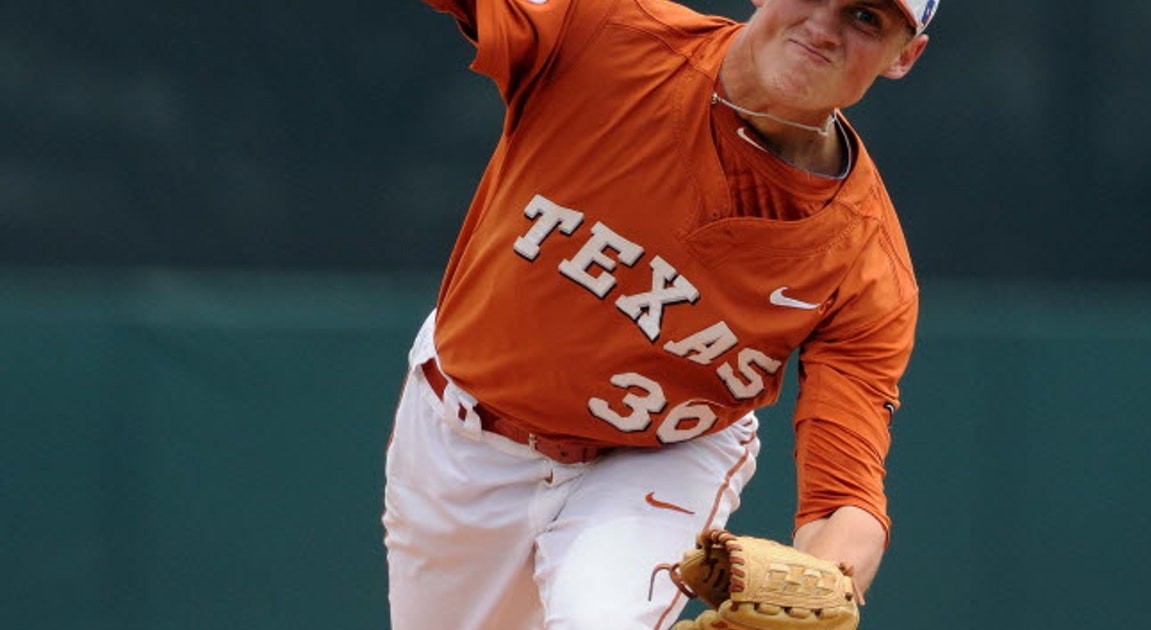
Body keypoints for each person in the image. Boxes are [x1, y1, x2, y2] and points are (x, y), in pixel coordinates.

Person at [382, 0, 937, 627]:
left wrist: (830, 579)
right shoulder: (608, 34)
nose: (824, 27)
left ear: (905, 55)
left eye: (866, 17)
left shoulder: (863, 262)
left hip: (659, 460)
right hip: (462, 438)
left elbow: (845, 500)